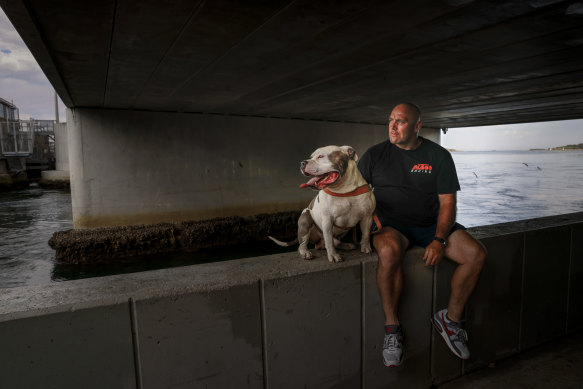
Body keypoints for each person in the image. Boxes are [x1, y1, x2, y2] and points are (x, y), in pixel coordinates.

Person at [357, 102, 486, 367]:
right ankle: (392, 328)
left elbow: (448, 203)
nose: (392, 126)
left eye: (401, 121)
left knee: (475, 254)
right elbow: (355, 196)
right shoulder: (374, 155)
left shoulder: (438, 156)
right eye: (391, 119)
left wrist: (439, 240)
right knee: (389, 252)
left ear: (417, 127)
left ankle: (450, 320)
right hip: (392, 226)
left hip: (430, 225)